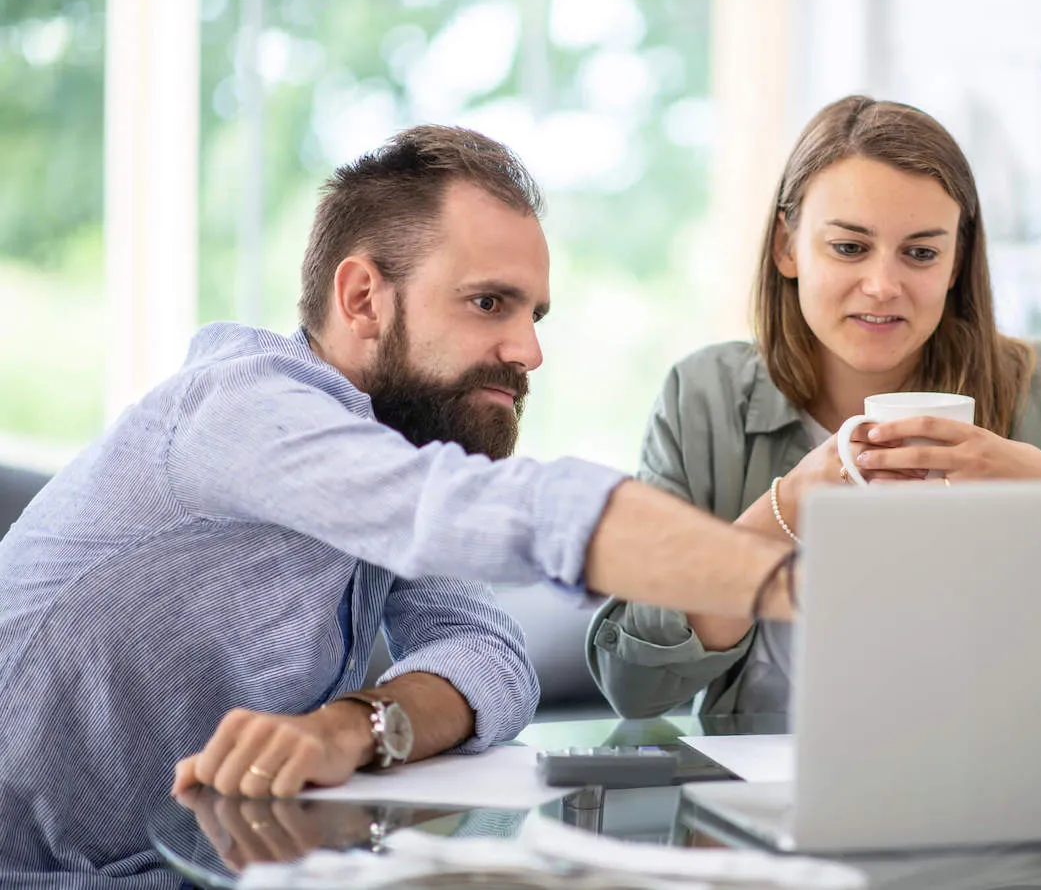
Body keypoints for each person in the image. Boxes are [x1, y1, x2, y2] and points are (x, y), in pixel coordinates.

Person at [0, 125, 795, 890]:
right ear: (362, 298)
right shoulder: (242, 411)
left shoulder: (387, 450)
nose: (530, 351)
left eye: (534, 315)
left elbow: (490, 654)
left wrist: (354, 726)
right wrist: (789, 581)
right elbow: (486, 511)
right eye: (490, 304)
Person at [587, 95, 1041, 719]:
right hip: (768, 794)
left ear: (957, 261)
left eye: (921, 253)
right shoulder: (703, 396)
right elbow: (634, 686)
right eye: (849, 248)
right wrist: (784, 509)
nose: (882, 285)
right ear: (787, 247)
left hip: (1005, 785)